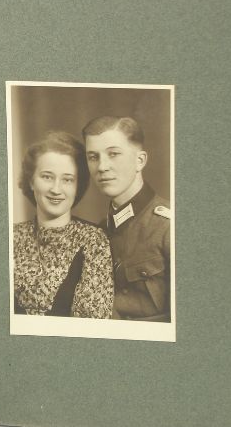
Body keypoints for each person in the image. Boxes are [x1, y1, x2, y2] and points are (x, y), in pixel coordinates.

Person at [13, 131, 113, 318]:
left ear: (77, 187)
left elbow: (91, 322)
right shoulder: (11, 237)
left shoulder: (93, 241)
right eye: (47, 177)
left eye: (67, 180)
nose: (56, 189)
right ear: (31, 181)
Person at [83, 116, 171, 322]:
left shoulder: (168, 227)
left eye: (113, 154)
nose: (102, 167)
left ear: (140, 161)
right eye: (93, 157)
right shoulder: (99, 231)